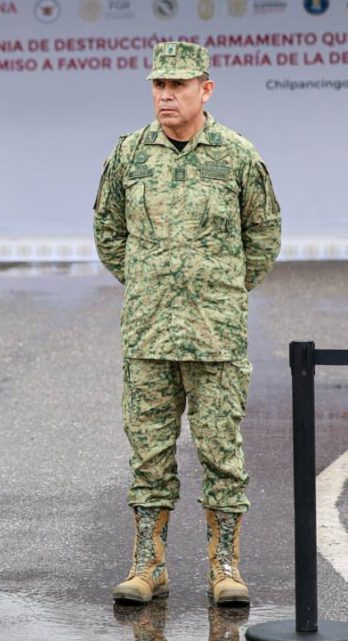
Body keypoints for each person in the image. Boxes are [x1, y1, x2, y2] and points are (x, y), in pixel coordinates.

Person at [94, 42, 281, 607]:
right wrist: (153, 283)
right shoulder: (130, 155)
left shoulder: (236, 156)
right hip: (149, 336)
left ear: (206, 88)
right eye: (158, 85)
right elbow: (108, 232)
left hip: (215, 338)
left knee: (222, 454)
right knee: (148, 456)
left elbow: (264, 236)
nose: (166, 95)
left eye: (178, 85)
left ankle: (225, 568)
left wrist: (218, 289)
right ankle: (148, 566)